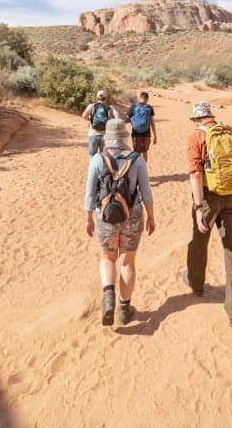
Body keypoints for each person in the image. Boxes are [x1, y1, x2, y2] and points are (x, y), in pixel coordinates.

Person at [182, 101, 232, 328]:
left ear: (195, 119)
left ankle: (196, 284)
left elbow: (195, 174)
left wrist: (200, 206)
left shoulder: (196, 137)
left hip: (208, 197)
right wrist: (231, 180)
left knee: (199, 241)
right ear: (211, 116)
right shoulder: (228, 130)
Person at [84, 119, 156, 326]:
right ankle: (124, 309)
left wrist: (89, 218)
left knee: (108, 258)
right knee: (127, 261)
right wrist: (151, 217)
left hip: (105, 217)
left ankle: (108, 299)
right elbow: (146, 192)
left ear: (107, 137)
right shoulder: (137, 160)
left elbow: (90, 193)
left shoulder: (97, 159)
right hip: (132, 217)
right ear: (124, 137)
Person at [81, 90, 118, 156]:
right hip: (105, 135)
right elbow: (117, 117)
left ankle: (94, 166)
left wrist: (90, 119)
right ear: (105, 98)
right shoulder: (110, 107)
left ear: (97, 97)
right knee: (104, 156)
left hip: (93, 134)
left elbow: (84, 116)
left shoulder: (92, 106)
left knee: (93, 156)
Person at [126, 91, 157, 162]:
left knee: (136, 152)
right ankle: (144, 169)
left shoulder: (133, 106)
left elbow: (127, 119)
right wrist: (155, 136)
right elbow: (152, 122)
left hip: (135, 132)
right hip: (146, 133)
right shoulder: (149, 108)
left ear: (140, 98)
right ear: (147, 99)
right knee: (145, 152)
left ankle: (137, 170)